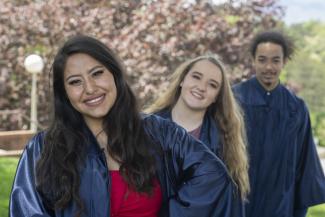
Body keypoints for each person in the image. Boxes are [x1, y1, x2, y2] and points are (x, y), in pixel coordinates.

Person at [9, 35, 242, 217]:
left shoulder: (160, 133)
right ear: (65, 93)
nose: (90, 88)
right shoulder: (42, 149)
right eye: (75, 82)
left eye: (97, 73)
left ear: (114, 74)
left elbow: (214, 178)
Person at [233, 30, 325, 217]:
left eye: (275, 60)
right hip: (238, 205)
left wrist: (298, 211)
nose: (269, 67)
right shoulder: (233, 100)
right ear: (253, 60)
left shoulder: (296, 108)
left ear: (284, 61)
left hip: (280, 207)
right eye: (262, 59)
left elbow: (304, 164)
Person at [145, 55, 250, 215]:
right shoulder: (146, 127)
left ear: (216, 97)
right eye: (196, 77)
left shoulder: (224, 143)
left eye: (212, 85)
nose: (201, 87)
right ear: (182, 80)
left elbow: (230, 206)